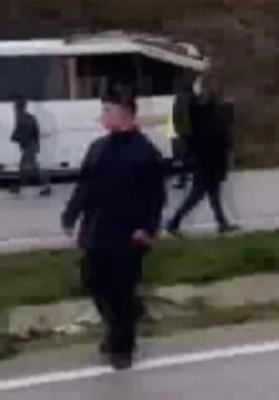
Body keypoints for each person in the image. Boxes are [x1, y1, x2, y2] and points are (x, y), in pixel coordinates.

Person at [61, 86, 167, 370]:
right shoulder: (98, 148)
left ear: (126, 114)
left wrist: (147, 228)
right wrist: (71, 214)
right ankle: (120, 323)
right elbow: (85, 186)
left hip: (129, 233)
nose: (103, 116)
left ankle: (122, 347)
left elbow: (156, 197)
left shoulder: (145, 153)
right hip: (96, 229)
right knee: (93, 282)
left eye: (108, 110)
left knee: (120, 290)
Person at [166, 75, 236, 235]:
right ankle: (174, 222)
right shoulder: (204, 113)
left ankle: (221, 223)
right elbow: (219, 136)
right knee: (198, 194)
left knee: (211, 194)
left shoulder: (201, 112)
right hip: (207, 159)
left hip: (206, 158)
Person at [10, 97, 52, 196]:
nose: (14, 108)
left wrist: (15, 137)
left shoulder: (22, 117)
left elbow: (23, 131)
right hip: (30, 145)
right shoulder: (27, 117)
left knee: (32, 167)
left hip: (29, 146)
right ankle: (19, 187)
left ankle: (46, 185)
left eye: (15, 106)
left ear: (18, 107)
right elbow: (34, 131)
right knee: (25, 167)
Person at [170, 78, 195, 189]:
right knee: (193, 156)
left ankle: (183, 178)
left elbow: (175, 116)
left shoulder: (179, 99)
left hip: (183, 132)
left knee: (184, 157)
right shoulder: (195, 98)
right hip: (194, 132)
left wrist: (177, 129)